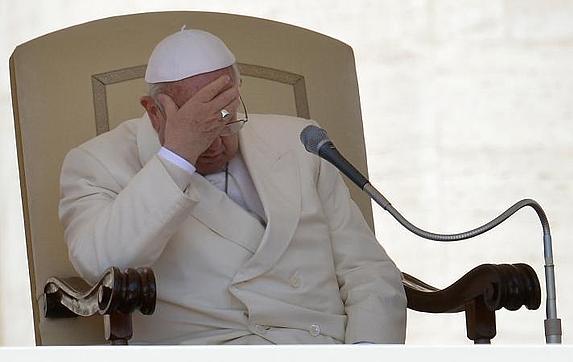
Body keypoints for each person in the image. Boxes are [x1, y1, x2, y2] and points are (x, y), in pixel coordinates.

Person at [59, 27, 406, 345]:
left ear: (238, 94)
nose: (213, 142)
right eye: (197, 124)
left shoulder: (300, 141)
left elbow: (367, 270)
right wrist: (177, 155)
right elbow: (99, 264)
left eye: (224, 119)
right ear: (153, 111)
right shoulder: (96, 163)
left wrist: (366, 349)